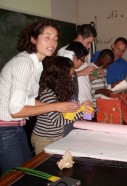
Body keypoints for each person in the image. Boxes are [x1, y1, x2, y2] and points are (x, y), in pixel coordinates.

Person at [0, 19, 79, 175]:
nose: (53, 42)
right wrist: (55, 107)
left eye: (56, 38)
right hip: (4, 129)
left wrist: (53, 106)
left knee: (26, 173)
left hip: (15, 127)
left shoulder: (36, 64)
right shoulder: (24, 63)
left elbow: (26, 100)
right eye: (47, 37)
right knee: (16, 178)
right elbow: (16, 110)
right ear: (33, 39)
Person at [31, 56, 84, 155]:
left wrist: (81, 107)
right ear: (60, 76)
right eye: (70, 75)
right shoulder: (47, 93)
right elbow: (57, 121)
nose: (72, 78)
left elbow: (66, 112)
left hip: (56, 137)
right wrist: (81, 112)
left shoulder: (59, 91)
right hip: (44, 140)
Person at [60, 41, 93, 136]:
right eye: (82, 60)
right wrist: (81, 111)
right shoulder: (60, 75)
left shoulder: (73, 74)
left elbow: (74, 98)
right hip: (62, 125)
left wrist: (82, 113)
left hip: (73, 120)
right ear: (74, 58)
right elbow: (64, 106)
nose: (82, 63)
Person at [58, 24, 98, 103]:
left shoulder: (85, 52)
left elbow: (85, 78)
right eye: (88, 42)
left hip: (86, 100)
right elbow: (62, 77)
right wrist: (83, 72)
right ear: (80, 37)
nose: (89, 46)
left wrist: (95, 75)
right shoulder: (65, 51)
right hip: (75, 102)